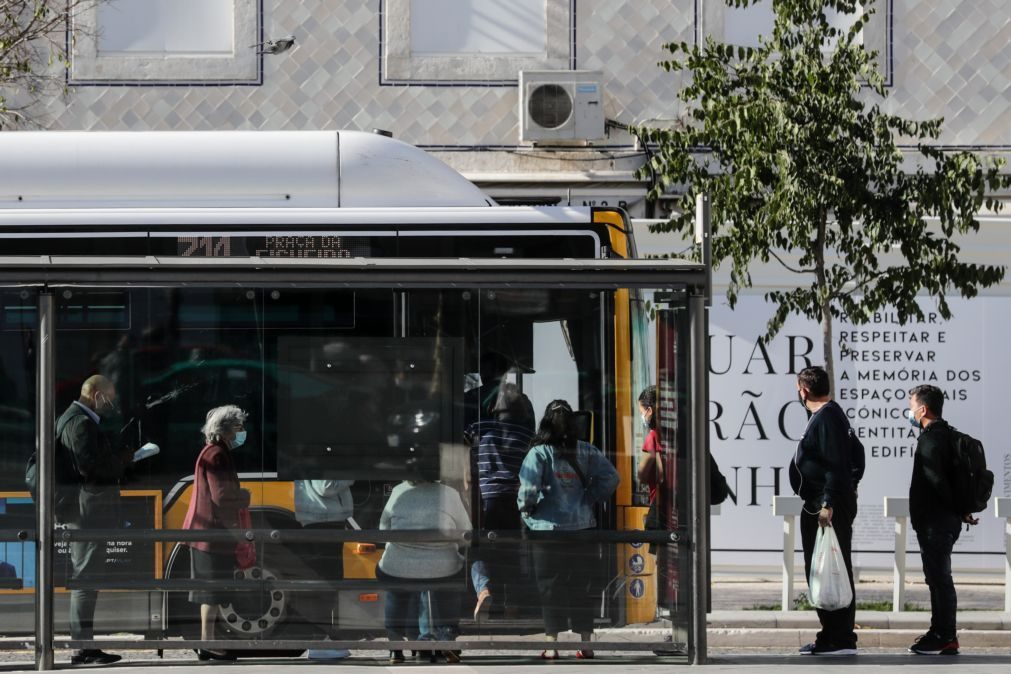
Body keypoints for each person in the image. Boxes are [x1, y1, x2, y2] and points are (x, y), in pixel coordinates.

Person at [517, 400, 619, 660]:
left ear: (545, 423)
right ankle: (585, 644)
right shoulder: (587, 451)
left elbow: (527, 492)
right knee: (582, 587)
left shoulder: (538, 453)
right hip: (582, 529)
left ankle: (552, 645)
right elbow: (612, 478)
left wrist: (528, 510)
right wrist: (589, 498)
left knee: (550, 587)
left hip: (547, 532)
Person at [789, 366, 862, 656]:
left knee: (827, 568)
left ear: (803, 390)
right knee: (826, 567)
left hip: (825, 506)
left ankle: (839, 637)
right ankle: (832, 633)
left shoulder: (827, 417)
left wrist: (829, 502)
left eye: (797, 389)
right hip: (826, 501)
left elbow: (835, 463)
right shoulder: (831, 415)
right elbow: (857, 455)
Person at [60, 375, 131, 666]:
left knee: (86, 579)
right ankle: (82, 648)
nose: (111, 402)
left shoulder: (75, 419)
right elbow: (90, 466)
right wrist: (126, 459)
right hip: (87, 513)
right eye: (109, 396)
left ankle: (85, 646)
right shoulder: (80, 423)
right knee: (86, 581)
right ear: (96, 394)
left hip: (85, 511)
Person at [906, 384, 976, 655]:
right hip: (945, 520)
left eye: (912, 405)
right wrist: (961, 510)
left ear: (923, 409)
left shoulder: (930, 439)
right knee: (937, 578)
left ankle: (944, 635)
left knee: (939, 579)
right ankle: (940, 632)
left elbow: (936, 481)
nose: (910, 410)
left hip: (935, 522)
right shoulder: (947, 434)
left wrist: (956, 509)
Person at [181, 405, 251, 662]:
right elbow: (221, 496)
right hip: (211, 533)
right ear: (227, 429)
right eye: (239, 426)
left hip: (207, 531)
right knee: (211, 590)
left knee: (212, 589)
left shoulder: (212, 451)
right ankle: (207, 643)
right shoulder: (217, 455)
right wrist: (244, 496)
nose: (242, 431)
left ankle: (208, 641)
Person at [377, 475, 472, 664]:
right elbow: (466, 531)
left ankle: (395, 646)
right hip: (442, 568)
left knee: (396, 593)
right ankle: (445, 639)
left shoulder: (398, 491)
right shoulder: (449, 494)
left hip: (398, 566)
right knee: (447, 589)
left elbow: (383, 529)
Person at [464, 382, 534, 622]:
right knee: (512, 553)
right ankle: (512, 604)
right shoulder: (526, 435)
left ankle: (483, 590)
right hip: (515, 501)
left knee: (479, 550)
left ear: (495, 406)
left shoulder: (479, 427)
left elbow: (460, 445)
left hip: (486, 501)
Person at [294, 479, 355, 660]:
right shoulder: (319, 452)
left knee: (325, 581)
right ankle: (321, 640)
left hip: (320, 518)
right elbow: (325, 486)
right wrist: (350, 476)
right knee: (328, 582)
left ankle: (324, 637)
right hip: (324, 519)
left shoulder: (311, 451)